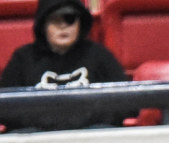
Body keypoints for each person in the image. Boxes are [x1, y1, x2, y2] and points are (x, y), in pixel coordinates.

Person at [0, 0, 130, 133]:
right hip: (37, 140)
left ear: (80, 23)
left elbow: (126, 103)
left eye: (70, 19)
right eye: (55, 20)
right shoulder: (23, 58)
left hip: (90, 138)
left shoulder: (99, 55)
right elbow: (6, 108)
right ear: (43, 24)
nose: (63, 26)